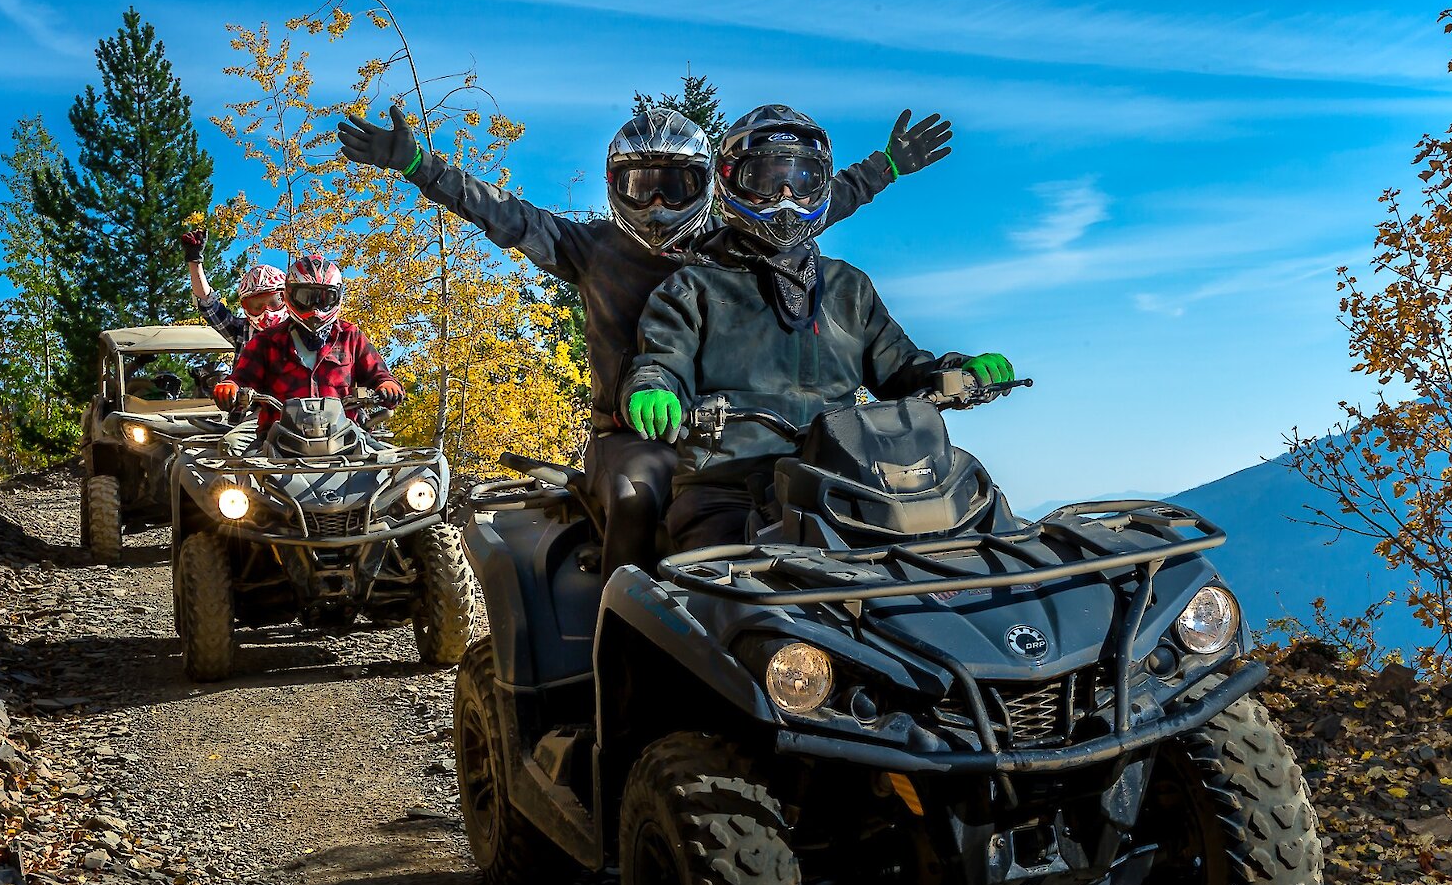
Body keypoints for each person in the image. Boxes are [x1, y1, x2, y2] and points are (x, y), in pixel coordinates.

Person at [336, 98, 954, 576]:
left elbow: (809, 201)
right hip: (629, 433)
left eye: (677, 185)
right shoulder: (588, 247)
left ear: (710, 185)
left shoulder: (732, 240)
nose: (658, 202)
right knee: (638, 495)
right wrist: (421, 166)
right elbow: (499, 213)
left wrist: (888, 166)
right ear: (616, 187)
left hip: (731, 433)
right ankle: (620, 620)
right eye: (641, 185)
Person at [623, 105, 1014, 551]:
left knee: (970, 551)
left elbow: (901, 368)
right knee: (722, 588)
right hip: (729, 485)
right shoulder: (692, 286)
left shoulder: (849, 287)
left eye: (803, 181)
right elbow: (661, 357)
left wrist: (959, 371)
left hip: (848, 482)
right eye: (766, 182)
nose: (786, 198)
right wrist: (654, 387)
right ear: (731, 181)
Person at [213, 252, 403, 442]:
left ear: (337, 296)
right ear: (290, 295)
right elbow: (243, 377)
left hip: (344, 435)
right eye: (305, 297)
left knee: (400, 465)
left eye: (324, 297)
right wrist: (231, 386)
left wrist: (387, 386)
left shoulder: (350, 336)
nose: (315, 308)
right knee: (231, 452)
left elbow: (379, 374)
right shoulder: (266, 341)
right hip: (278, 437)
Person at [180, 226, 274, 352]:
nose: (266, 313)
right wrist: (194, 260)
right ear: (245, 307)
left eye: (273, 303)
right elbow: (208, 304)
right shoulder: (243, 331)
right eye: (256, 306)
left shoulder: (300, 334)